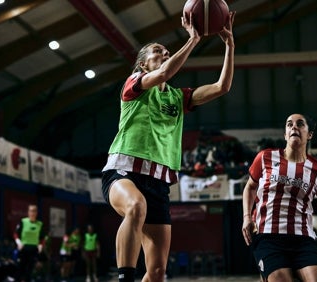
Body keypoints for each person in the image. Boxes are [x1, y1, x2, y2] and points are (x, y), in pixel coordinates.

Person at [101, 8, 235, 282]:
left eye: (165, 50)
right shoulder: (134, 84)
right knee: (136, 206)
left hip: (159, 183)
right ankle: (125, 277)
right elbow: (163, 73)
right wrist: (194, 39)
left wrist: (230, 45)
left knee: (158, 273)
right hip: (125, 172)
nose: (164, 53)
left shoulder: (178, 98)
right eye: (157, 51)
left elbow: (222, 87)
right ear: (142, 65)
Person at [242, 113, 317, 282]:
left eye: (300, 124)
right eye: (289, 124)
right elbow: (250, 187)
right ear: (285, 134)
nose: (294, 127)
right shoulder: (265, 157)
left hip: (302, 240)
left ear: (309, 134)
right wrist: (247, 217)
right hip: (268, 238)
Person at [13, 204, 45, 282]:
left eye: (34, 211)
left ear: (37, 213)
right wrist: (19, 243)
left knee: (29, 271)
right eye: (31, 211)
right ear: (28, 212)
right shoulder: (23, 221)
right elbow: (15, 234)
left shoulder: (40, 224)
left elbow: (42, 237)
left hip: (33, 249)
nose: (32, 213)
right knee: (20, 269)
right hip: (23, 248)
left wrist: (41, 245)